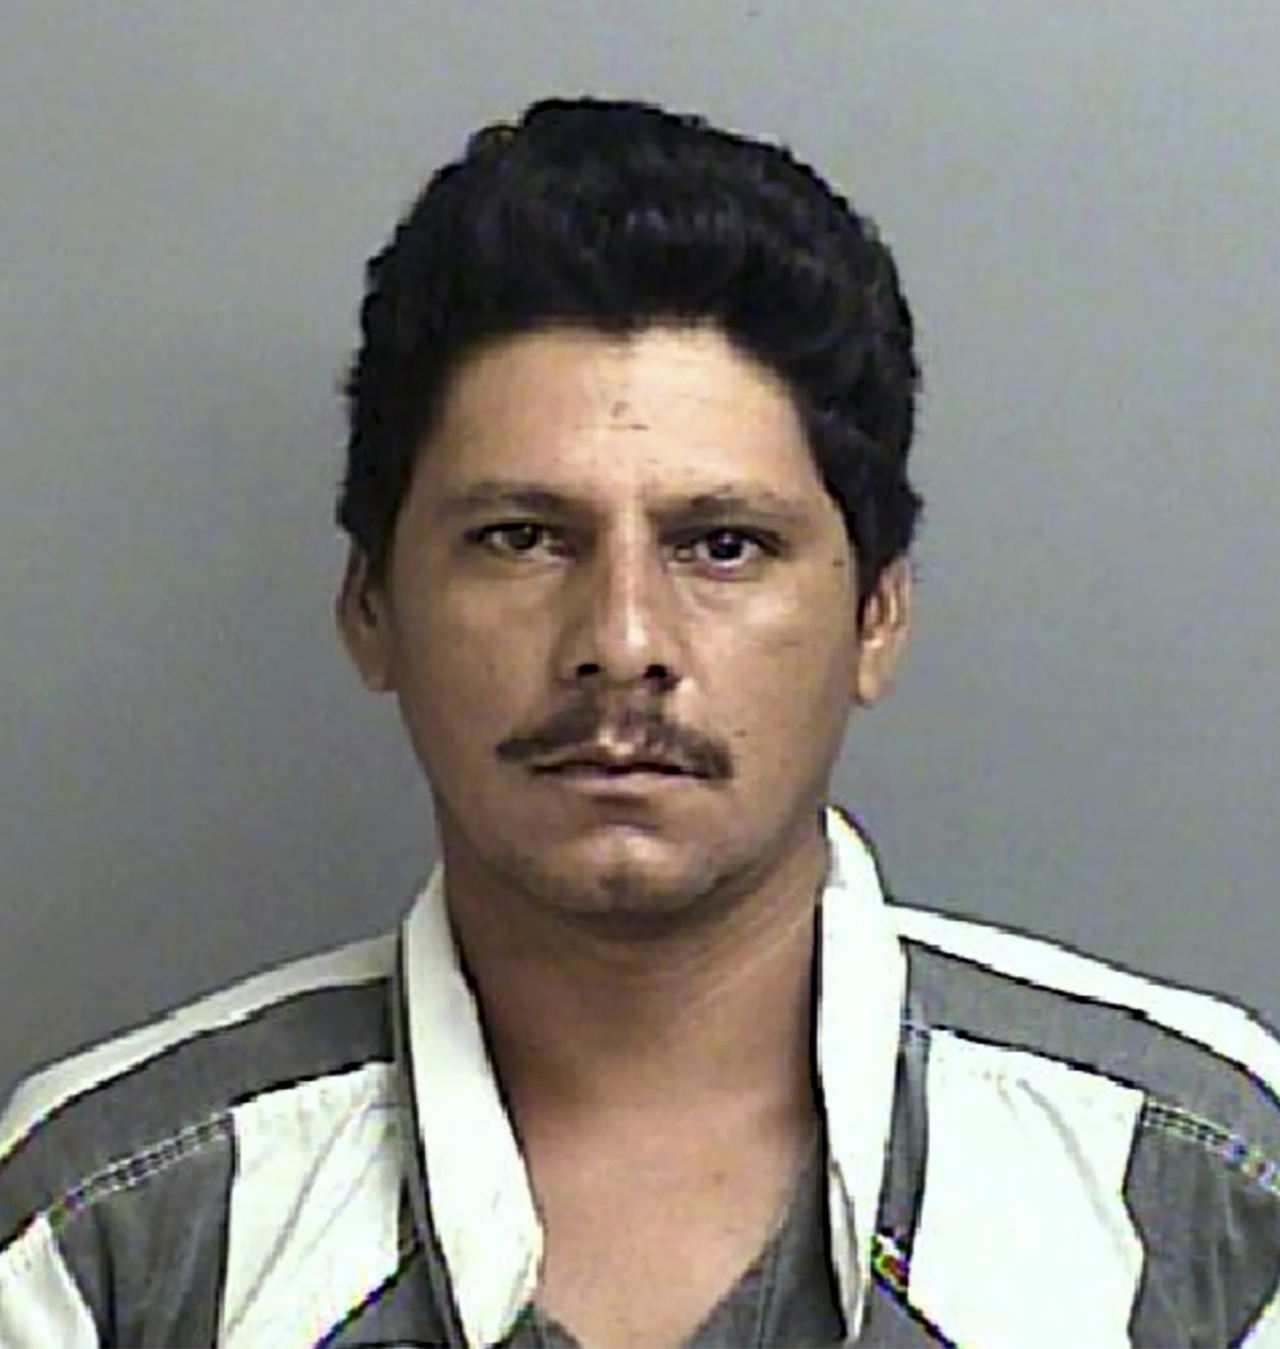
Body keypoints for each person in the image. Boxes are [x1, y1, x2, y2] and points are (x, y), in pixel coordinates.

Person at [1, 95, 1278, 1349]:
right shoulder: (107, 1234)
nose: (620, 641)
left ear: (875, 615)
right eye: (521, 537)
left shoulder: (1198, 1194)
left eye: (721, 544)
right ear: (371, 606)